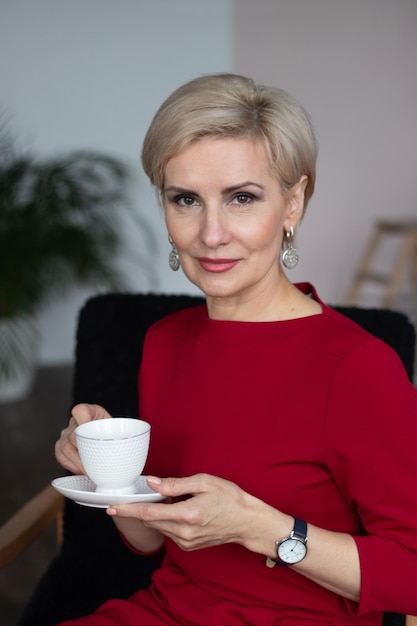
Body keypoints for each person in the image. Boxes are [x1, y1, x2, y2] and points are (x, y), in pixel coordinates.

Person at [55, 73, 417, 625]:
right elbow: (153, 545)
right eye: (186, 200)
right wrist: (107, 483)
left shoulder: (356, 368)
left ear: (293, 203)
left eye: (242, 198)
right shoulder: (164, 340)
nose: (211, 234)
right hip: (167, 611)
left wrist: (263, 528)